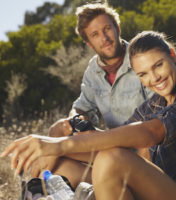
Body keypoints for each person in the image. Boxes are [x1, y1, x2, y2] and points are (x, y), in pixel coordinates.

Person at [1, 31, 176, 199]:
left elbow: (150, 132)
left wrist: (60, 144)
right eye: (143, 74)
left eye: (158, 65)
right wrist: (65, 134)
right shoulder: (153, 105)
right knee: (63, 169)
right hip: (155, 190)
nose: (154, 78)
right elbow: (117, 141)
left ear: (173, 56)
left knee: (111, 159)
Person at [29, 2, 152, 188]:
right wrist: (78, 119)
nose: (104, 38)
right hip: (112, 145)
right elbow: (80, 106)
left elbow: (156, 121)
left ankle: (33, 185)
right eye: (95, 35)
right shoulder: (93, 70)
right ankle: (34, 187)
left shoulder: (140, 57)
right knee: (60, 130)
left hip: (144, 149)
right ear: (88, 42)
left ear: (117, 28)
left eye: (107, 29)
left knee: (59, 159)